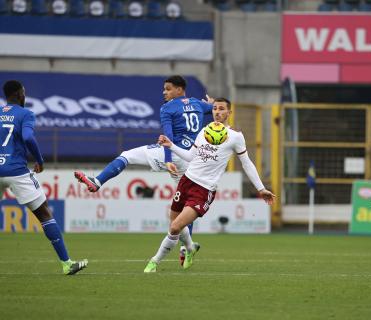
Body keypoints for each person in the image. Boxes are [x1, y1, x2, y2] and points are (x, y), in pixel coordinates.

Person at [74, 75, 211, 264]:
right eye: (164, 89)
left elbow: (168, 136)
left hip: (174, 154)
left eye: (168, 88)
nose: (165, 92)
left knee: (127, 156)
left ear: (180, 90)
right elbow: (212, 109)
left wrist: (169, 159)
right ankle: (187, 248)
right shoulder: (197, 103)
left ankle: (97, 182)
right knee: (186, 205)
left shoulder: (168, 108)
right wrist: (211, 106)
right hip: (191, 158)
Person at [144, 97, 275, 272]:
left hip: (204, 190)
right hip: (186, 181)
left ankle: (154, 262)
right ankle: (190, 248)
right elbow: (191, 157)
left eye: (221, 109)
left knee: (175, 227)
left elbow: (247, 163)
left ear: (229, 112)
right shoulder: (204, 130)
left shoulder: (235, 136)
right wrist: (171, 146)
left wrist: (261, 188)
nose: (217, 112)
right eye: (214, 109)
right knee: (174, 224)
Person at [0, 80, 88, 275]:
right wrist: (39, 159)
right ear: (19, 94)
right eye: (24, 92)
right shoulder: (25, 114)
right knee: (44, 214)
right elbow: (29, 138)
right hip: (16, 171)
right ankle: (67, 264)